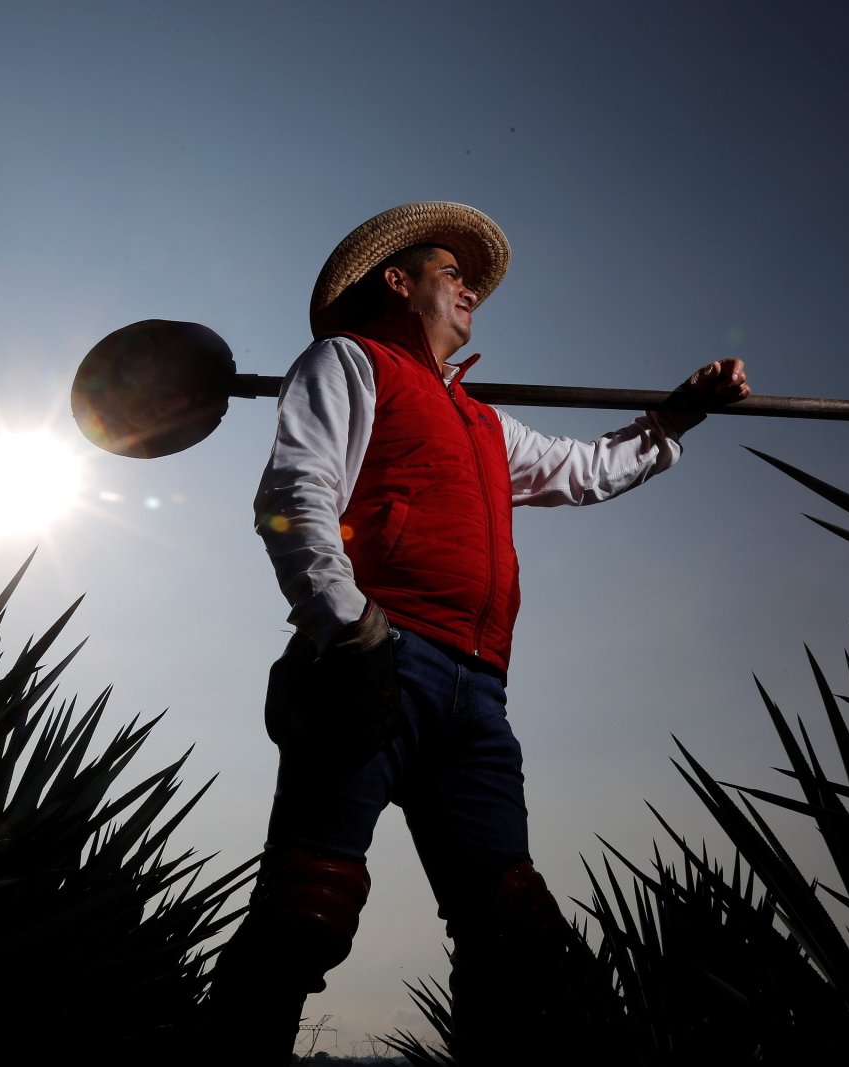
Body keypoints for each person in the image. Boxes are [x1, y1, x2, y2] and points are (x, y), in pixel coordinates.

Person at [204, 201, 749, 1063]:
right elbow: (292, 497)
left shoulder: (488, 424)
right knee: (305, 907)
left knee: (514, 931)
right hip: (370, 662)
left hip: (478, 695)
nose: (471, 294)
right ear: (399, 280)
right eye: (453, 275)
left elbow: (588, 469)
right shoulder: (349, 362)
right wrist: (346, 630)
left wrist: (676, 418)